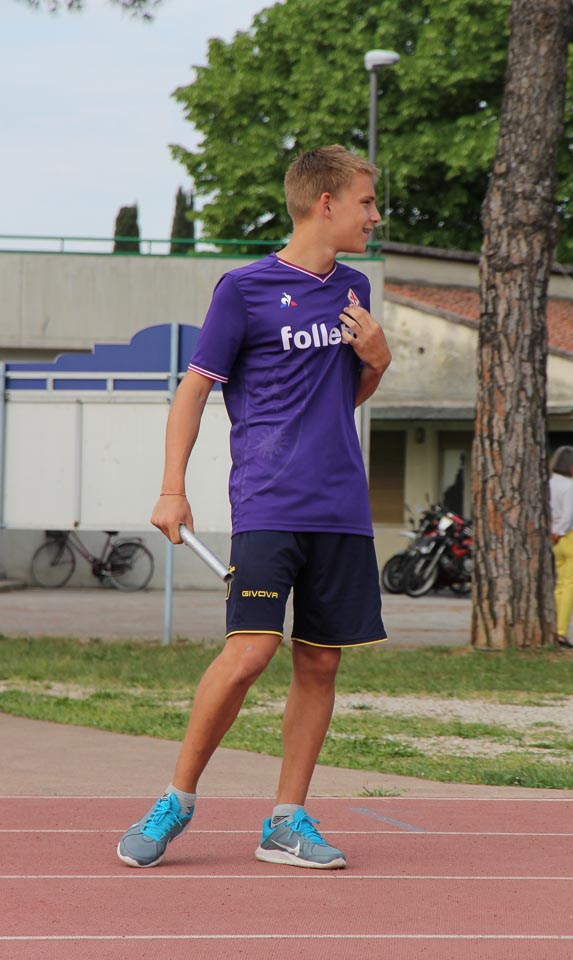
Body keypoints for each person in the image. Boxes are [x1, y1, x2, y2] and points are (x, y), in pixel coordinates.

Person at [116, 145, 391, 871]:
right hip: (269, 500)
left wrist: (379, 360)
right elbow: (194, 389)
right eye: (366, 202)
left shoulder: (356, 287)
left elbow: (344, 395)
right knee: (249, 654)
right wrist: (172, 487)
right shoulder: (243, 289)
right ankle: (176, 800)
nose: (375, 216)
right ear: (326, 203)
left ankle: (286, 821)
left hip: (342, 507)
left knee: (321, 662)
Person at [549, 446, 573, 648]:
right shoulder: (569, 486)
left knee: (560, 586)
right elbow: (571, 513)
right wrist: (561, 530)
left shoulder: (550, 483)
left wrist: (554, 532)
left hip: (556, 539)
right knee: (571, 586)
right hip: (572, 536)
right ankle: (561, 632)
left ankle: (553, 626)